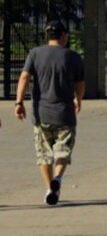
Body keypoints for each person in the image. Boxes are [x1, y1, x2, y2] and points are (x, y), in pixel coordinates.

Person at [14, 20, 85, 206]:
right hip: (65, 114)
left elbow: (24, 77)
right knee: (63, 150)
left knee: (43, 153)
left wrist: (19, 102)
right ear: (63, 35)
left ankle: (49, 188)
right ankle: (58, 179)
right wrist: (78, 98)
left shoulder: (35, 54)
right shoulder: (73, 57)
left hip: (41, 113)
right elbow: (80, 84)